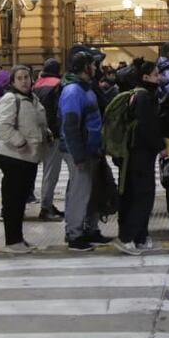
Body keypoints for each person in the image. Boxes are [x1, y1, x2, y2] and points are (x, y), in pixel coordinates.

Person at [0, 65, 47, 253]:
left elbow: (36, 122)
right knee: (13, 200)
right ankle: (12, 241)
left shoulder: (32, 98)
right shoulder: (10, 99)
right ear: (13, 81)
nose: (24, 81)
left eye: (27, 77)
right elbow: (1, 126)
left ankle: (18, 238)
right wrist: (20, 142)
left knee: (21, 200)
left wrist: (45, 133)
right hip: (13, 156)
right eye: (20, 78)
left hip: (28, 157)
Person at [59, 50, 106, 252]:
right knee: (80, 191)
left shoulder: (84, 88)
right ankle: (74, 234)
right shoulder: (73, 92)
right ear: (85, 67)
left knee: (90, 191)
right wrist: (78, 155)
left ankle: (88, 229)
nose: (96, 68)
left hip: (91, 148)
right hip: (80, 151)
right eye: (93, 65)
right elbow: (70, 126)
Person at [116, 59, 163, 254]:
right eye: (156, 74)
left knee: (136, 194)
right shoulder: (144, 98)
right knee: (143, 196)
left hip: (134, 154)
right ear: (145, 77)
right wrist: (160, 146)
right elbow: (147, 128)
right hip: (140, 154)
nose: (160, 78)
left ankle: (140, 237)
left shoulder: (136, 95)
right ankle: (127, 237)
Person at [31, 58, 65, 221]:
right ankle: (46, 207)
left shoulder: (36, 84)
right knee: (51, 172)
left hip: (39, 132)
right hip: (54, 134)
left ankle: (48, 204)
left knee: (45, 170)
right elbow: (60, 111)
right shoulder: (58, 84)